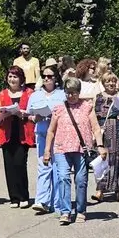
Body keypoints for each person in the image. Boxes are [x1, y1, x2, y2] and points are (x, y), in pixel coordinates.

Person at [43, 78, 105, 224]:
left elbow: (95, 128)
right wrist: (47, 150)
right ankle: (65, 211)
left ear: (79, 93)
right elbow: (51, 131)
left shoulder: (87, 107)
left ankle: (81, 210)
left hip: (81, 149)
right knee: (63, 178)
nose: (71, 96)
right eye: (68, 93)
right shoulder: (59, 108)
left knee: (80, 180)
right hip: (61, 148)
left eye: (74, 93)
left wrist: (100, 145)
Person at [0, 67, 36, 209]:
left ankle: (24, 196)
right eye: (10, 76)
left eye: (15, 77)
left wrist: (21, 114)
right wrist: (5, 114)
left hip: (22, 133)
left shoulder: (29, 93)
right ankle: (14, 198)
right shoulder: (2, 94)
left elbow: (33, 113)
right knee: (9, 166)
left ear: (21, 79)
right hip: (7, 134)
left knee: (20, 164)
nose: (12, 79)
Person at [27, 66, 65, 213]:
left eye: (50, 76)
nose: (47, 78)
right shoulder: (35, 95)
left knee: (58, 167)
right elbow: (29, 114)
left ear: (56, 78)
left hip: (59, 133)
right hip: (42, 132)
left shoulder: (62, 94)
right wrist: (34, 117)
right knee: (44, 165)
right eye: (44, 76)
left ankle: (57, 202)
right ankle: (42, 200)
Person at [92, 72, 119, 203]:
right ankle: (100, 190)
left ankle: (118, 189)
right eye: (108, 81)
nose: (111, 83)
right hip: (103, 131)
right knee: (103, 161)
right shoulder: (97, 97)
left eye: (113, 81)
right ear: (103, 83)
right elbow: (92, 115)